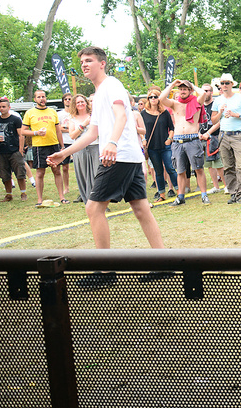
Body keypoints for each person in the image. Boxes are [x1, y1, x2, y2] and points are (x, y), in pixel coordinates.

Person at [48, 47, 164, 287]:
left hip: (118, 156)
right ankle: (163, 263)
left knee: (93, 209)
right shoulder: (98, 92)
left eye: (89, 60)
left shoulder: (111, 85)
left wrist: (112, 143)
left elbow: (122, 116)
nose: (84, 65)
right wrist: (65, 152)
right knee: (141, 208)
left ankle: (105, 270)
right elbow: (93, 131)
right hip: (128, 155)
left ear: (102, 63)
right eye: (82, 61)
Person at [158, 79, 211, 206]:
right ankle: (180, 197)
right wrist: (172, 85)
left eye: (185, 89)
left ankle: (204, 195)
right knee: (180, 171)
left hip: (192, 139)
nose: (182, 91)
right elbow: (161, 98)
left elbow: (203, 93)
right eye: (181, 89)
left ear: (190, 90)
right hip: (177, 141)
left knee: (198, 169)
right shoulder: (175, 104)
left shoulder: (196, 102)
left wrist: (191, 84)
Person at [209, 73, 241, 204]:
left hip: (238, 135)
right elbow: (213, 121)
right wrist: (219, 113)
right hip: (224, 135)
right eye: (222, 83)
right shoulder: (217, 100)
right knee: (228, 166)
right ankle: (233, 193)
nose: (224, 85)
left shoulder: (240, 98)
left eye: (227, 83)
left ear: (232, 84)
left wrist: (236, 114)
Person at [23, 89, 68, 206]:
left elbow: (58, 130)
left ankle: (62, 197)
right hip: (39, 146)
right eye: (39, 97)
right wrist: (36, 133)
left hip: (53, 145)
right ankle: (39, 200)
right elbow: (23, 131)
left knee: (57, 170)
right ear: (35, 99)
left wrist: (62, 146)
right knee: (40, 173)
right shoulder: (30, 113)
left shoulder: (52, 112)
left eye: (43, 96)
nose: (42, 99)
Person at [141, 86, 178, 202]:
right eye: (150, 97)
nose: (153, 99)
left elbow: (171, 128)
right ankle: (161, 194)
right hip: (152, 147)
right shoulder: (143, 113)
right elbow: (141, 129)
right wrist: (143, 139)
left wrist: (169, 138)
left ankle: (179, 191)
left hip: (165, 145)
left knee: (170, 168)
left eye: (155, 97)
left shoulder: (164, 112)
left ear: (159, 98)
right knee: (158, 171)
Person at [0, 97, 27, 202]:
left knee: (20, 173)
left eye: (4, 107)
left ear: (9, 107)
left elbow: (21, 135)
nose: (2, 109)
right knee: (4, 174)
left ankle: (23, 193)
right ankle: (8, 194)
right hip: (1, 151)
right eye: (0, 107)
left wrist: (20, 149)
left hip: (14, 151)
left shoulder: (15, 119)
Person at [65, 94, 100, 203]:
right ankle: (87, 199)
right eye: (77, 102)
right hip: (80, 149)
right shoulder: (72, 119)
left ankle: (99, 199)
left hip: (95, 146)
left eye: (82, 102)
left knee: (97, 174)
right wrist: (83, 125)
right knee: (83, 175)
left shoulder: (94, 115)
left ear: (86, 103)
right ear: (74, 105)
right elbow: (72, 136)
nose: (80, 104)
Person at [200, 81, 225, 194]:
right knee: (209, 164)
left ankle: (226, 185)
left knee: (218, 164)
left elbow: (219, 122)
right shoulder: (199, 106)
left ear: (211, 92)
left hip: (215, 136)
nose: (204, 93)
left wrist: (208, 133)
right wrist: (198, 134)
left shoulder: (216, 104)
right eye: (202, 91)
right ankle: (216, 186)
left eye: (206, 91)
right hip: (203, 138)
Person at [57, 92, 74, 197]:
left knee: (79, 166)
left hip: (75, 141)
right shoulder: (59, 114)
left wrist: (67, 128)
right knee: (64, 167)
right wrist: (70, 129)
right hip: (64, 142)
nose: (68, 101)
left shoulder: (75, 113)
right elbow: (58, 128)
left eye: (69, 99)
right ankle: (66, 187)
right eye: (66, 99)